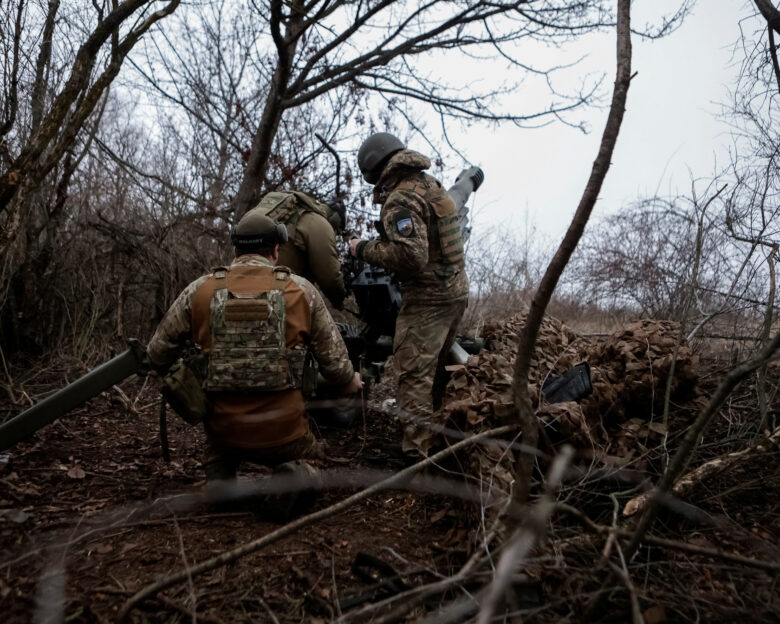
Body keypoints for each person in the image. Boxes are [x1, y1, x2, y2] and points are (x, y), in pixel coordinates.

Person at [147, 211, 362, 482]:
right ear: (275, 250)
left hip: (222, 433)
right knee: (313, 460)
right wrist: (349, 380)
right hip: (286, 434)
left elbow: (156, 355)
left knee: (219, 451)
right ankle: (297, 473)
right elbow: (336, 365)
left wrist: (186, 377)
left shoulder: (199, 290)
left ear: (235, 249)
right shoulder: (302, 291)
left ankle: (221, 475)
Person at [349, 132, 480, 456]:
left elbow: (412, 256)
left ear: (373, 170)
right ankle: (441, 438)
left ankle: (418, 455)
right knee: (435, 370)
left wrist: (362, 248)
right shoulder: (428, 185)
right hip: (454, 292)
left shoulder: (401, 199)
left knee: (412, 376)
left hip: (428, 299)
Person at [247, 190, 347, 309]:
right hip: (277, 299)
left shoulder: (288, 214)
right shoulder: (319, 223)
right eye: (337, 233)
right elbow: (330, 279)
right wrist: (340, 301)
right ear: (335, 223)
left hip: (240, 288)